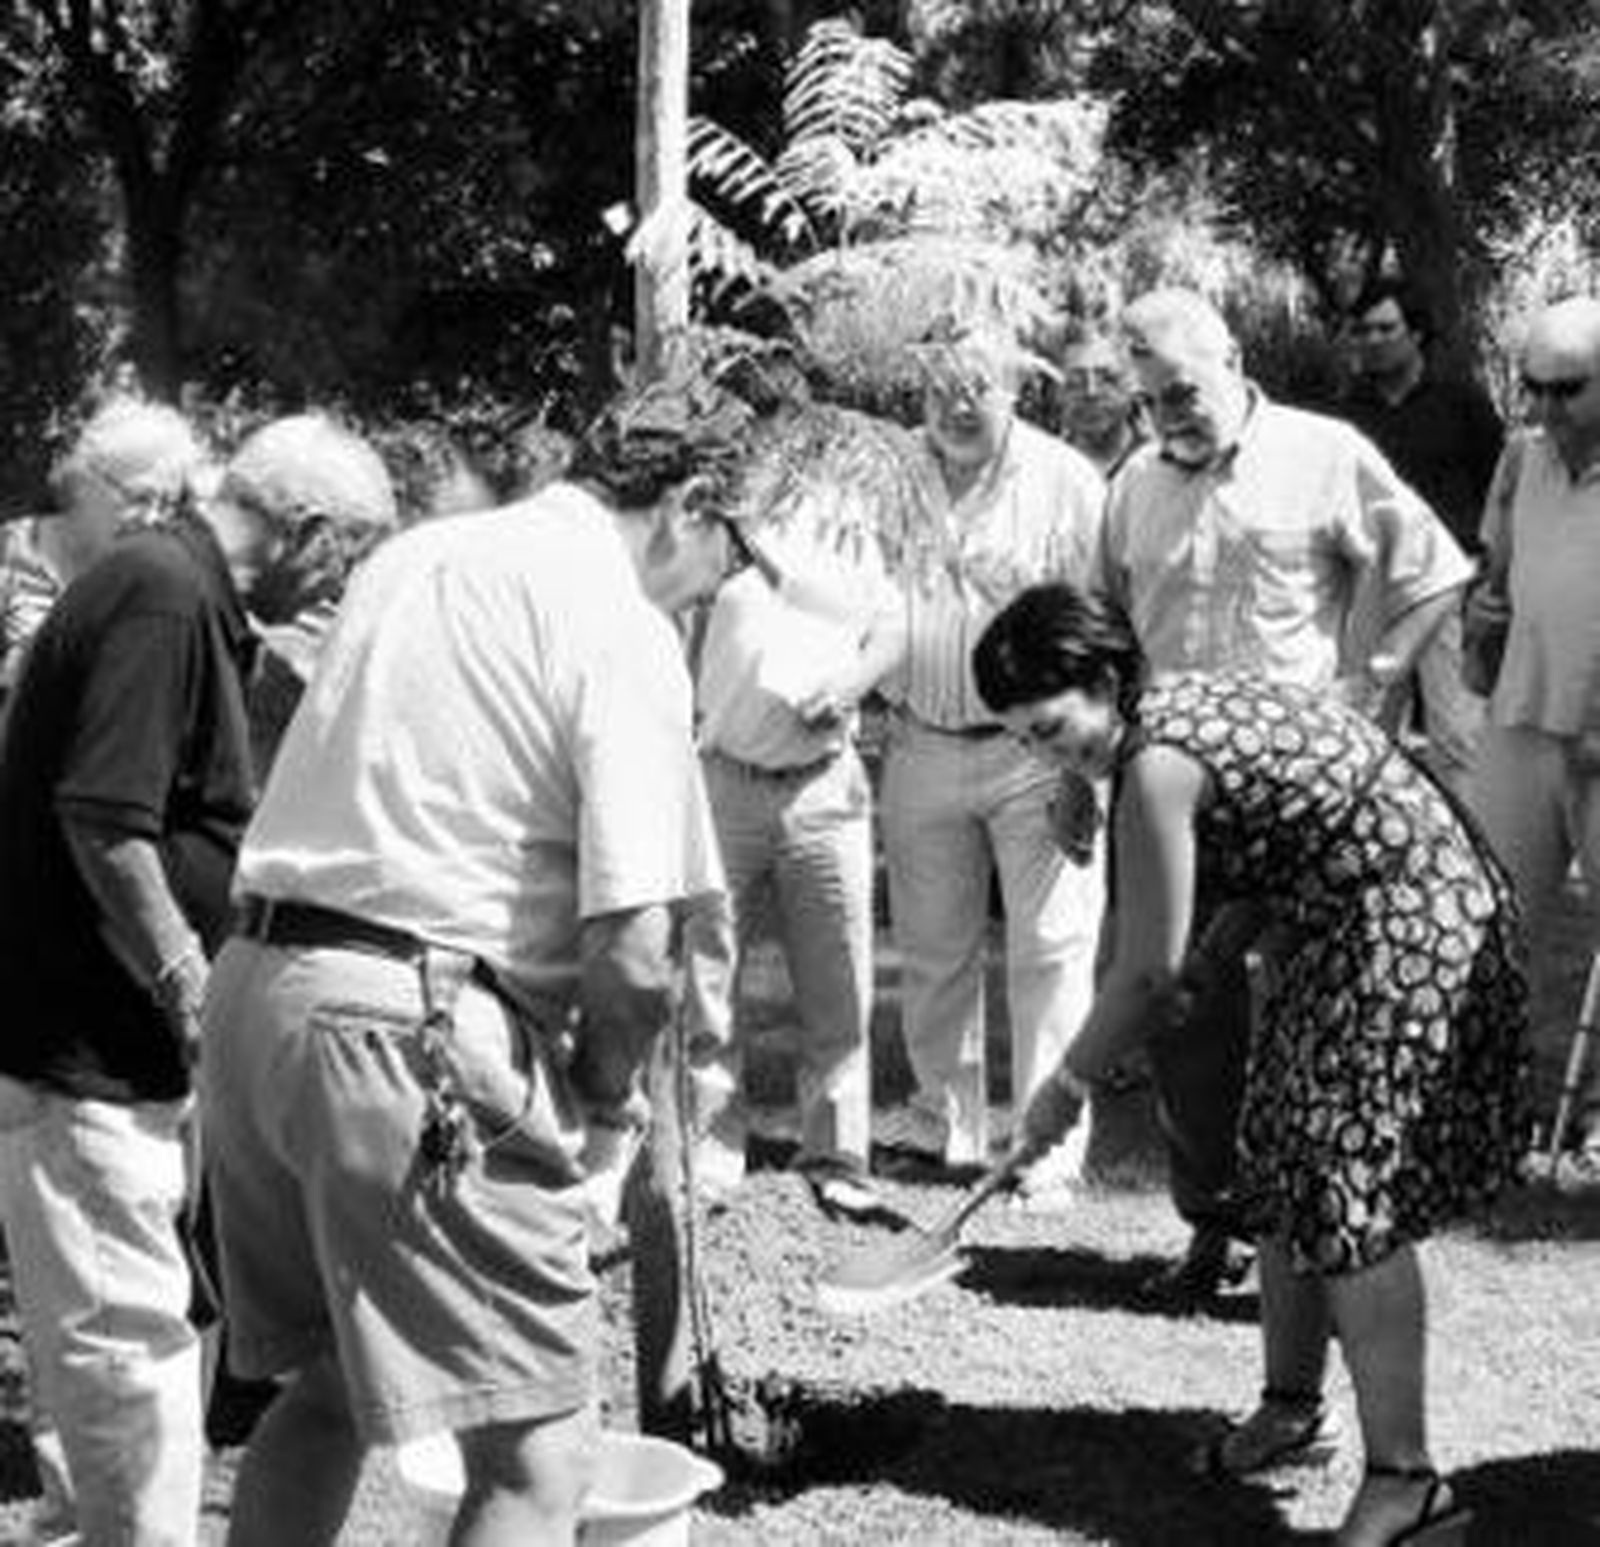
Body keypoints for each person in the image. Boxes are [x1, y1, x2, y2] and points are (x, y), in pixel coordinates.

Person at [198, 378, 749, 1546]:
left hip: (260, 995)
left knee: (333, 1389)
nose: (723, 589)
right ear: (692, 505)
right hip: (411, 1026)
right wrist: (603, 1118)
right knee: (543, 1454)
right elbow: (637, 953)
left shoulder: (418, 556)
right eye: (732, 556)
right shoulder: (621, 622)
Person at [976, 582, 1526, 1547]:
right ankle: (1289, 1407)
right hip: (1340, 922)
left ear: (1106, 681)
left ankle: (1410, 1486)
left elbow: (1140, 973)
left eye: (1054, 727)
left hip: (1408, 925)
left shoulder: (1156, 764)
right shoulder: (1165, 714)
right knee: (1277, 1158)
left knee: (1349, 1191)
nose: (1047, 754)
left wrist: (1061, 1093)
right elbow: (1281, 842)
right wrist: (1216, 954)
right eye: (1024, 738)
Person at [0, 407, 396, 1547]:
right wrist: (189, 979)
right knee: (130, 1359)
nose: (337, 587)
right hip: (84, 1049)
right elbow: (106, 819)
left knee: (137, 1342)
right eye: (349, 557)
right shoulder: (162, 593)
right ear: (311, 530)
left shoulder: (183, 598)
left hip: (112, 1051)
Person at [1100, 287, 1474, 1305]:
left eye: (1180, 389)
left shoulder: (1324, 451)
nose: (1167, 413)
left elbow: (1435, 566)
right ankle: (1212, 1226)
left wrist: (1380, 668)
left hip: (1302, 807)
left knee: (1300, 1019)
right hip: (1176, 800)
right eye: (1146, 400)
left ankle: (1308, 1243)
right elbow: (1103, 633)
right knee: (1184, 1018)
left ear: (1229, 356)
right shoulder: (1132, 483)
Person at [872, 325, 1106, 1197]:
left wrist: (1085, 772)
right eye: (939, 388)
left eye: (977, 385)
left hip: (1035, 754)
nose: (957, 405)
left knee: (1051, 949)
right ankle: (947, 1128)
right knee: (932, 950)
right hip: (919, 737)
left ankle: (1048, 1153)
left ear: (1016, 387)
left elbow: (1097, 622)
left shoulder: (1065, 481)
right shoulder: (890, 475)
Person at [682, 471, 906, 1214]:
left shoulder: (850, 520)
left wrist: (847, 687)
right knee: (707, 977)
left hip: (823, 787)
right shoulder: (715, 522)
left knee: (838, 978)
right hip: (724, 780)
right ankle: (708, 1148)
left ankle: (836, 1152)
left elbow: (892, 629)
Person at [1468, 295, 1600, 1161]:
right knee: (1486, 916)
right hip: (1521, 720)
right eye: (1534, 388)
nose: (1546, 408)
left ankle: (1592, 1122)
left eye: (1569, 389)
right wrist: (1485, 609)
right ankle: (1486, 1106)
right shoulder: (1521, 460)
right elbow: (1496, 577)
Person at [1340, 275, 1506, 797]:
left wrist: (1491, 579)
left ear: (1417, 335)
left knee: (1459, 738)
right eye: (1362, 329)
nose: (1371, 339)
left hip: (1451, 589)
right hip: (1372, 593)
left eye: (1385, 328)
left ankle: (1474, 863)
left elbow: (1497, 492)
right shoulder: (1345, 414)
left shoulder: (1462, 402)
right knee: (1363, 738)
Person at [0, 397, 207, 702]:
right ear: (85, 481)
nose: (151, 519)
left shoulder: (142, 588)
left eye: (164, 504)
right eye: (139, 498)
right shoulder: (9, 558)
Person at [1056, 329, 1145, 478]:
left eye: (1107, 379)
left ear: (1133, 386)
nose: (1091, 392)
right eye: (1075, 382)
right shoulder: (1045, 468)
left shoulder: (1156, 465)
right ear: (1059, 394)